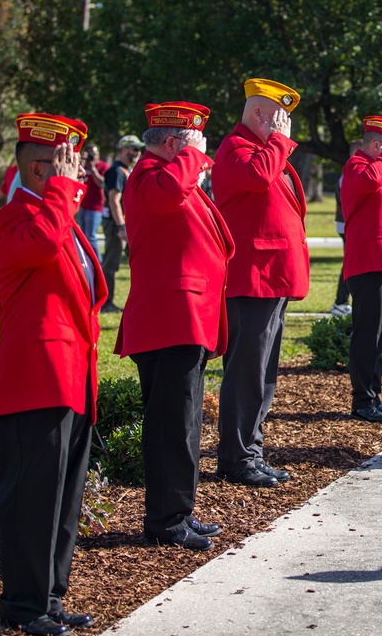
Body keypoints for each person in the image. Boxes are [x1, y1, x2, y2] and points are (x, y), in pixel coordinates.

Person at [0, 113, 105, 636]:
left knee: (62, 497)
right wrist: (61, 192)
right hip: (34, 377)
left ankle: (50, 597)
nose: (78, 173)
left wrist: (63, 195)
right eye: (67, 163)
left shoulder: (59, 213)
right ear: (39, 169)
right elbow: (39, 245)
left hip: (70, 373)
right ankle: (22, 605)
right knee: (32, 497)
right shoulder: (16, 218)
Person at [115, 101, 234, 551]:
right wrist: (192, 159)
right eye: (196, 149)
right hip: (169, 320)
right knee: (170, 425)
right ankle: (165, 520)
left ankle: (179, 510)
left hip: (187, 318)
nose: (203, 160)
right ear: (172, 144)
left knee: (184, 423)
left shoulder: (169, 176)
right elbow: (169, 193)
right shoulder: (149, 177)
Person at [212, 78, 306, 489]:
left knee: (263, 374)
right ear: (257, 115)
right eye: (279, 117)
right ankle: (236, 458)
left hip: (271, 278)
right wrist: (279, 143)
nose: (284, 125)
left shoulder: (264, 151)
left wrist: (276, 145)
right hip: (252, 279)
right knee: (247, 373)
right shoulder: (237, 149)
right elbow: (256, 179)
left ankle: (252, 450)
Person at [340, 115, 382, 424]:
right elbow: (368, 182)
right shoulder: (357, 167)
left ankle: (373, 396)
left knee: (380, 335)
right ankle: (362, 400)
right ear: (377, 145)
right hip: (370, 261)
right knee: (367, 334)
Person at [101, 134, 144, 312]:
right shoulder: (118, 171)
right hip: (115, 224)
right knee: (111, 264)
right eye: (134, 149)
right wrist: (121, 226)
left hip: (122, 224)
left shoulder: (125, 169)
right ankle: (106, 302)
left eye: (139, 149)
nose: (138, 152)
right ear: (124, 149)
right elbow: (114, 200)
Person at [330, 140, 362, 316]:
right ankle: (340, 302)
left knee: (351, 264)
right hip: (347, 225)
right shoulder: (349, 173)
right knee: (350, 265)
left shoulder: (351, 171)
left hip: (349, 225)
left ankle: (342, 301)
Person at [77, 144, 109, 262]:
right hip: (83, 205)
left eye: (94, 154)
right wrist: (81, 162)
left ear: (98, 155)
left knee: (91, 237)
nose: (92, 157)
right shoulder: (83, 166)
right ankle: (87, 261)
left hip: (95, 207)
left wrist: (93, 168)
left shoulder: (102, 166)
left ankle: (98, 263)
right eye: (89, 153)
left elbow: (101, 184)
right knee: (83, 237)